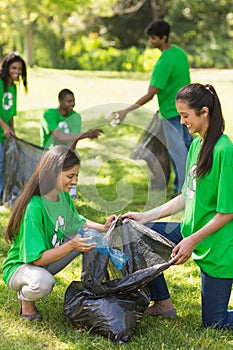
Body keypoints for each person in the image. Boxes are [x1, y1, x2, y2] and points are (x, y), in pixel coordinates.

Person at [122, 83, 233, 328]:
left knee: (215, 322)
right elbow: (187, 195)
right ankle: (162, 303)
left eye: (185, 115)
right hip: (189, 231)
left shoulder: (224, 150)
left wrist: (192, 241)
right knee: (136, 232)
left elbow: (227, 212)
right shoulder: (196, 145)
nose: (182, 122)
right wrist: (144, 216)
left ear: (204, 112)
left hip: (218, 247)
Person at [2, 146, 116, 321]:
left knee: (92, 237)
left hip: (47, 261)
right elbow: (37, 259)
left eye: (76, 176)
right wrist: (72, 245)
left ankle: (90, 293)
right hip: (22, 268)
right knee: (43, 283)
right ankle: (25, 300)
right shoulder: (34, 207)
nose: (74, 181)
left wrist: (103, 227)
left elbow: (77, 221)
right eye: (70, 176)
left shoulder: (62, 196)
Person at [114, 19, 193, 194]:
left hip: (172, 113)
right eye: (150, 38)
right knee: (190, 149)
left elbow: (150, 94)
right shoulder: (179, 53)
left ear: (164, 37)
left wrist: (126, 111)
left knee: (178, 153)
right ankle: (194, 187)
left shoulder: (163, 62)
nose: (151, 42)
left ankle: (182, 190)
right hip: (188, 111)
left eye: (154, 38)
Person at [0, 52, 28, 204]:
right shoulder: (0, 83)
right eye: (14, 68)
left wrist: (13, 130)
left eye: (20, 69)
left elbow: (11, 113)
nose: (17, 72)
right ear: (6, 68)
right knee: (0, 164)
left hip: (6, 133)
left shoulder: (13, 87)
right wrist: (4, 127)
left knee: (7, 165)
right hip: (0, 131)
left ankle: (4, 197)